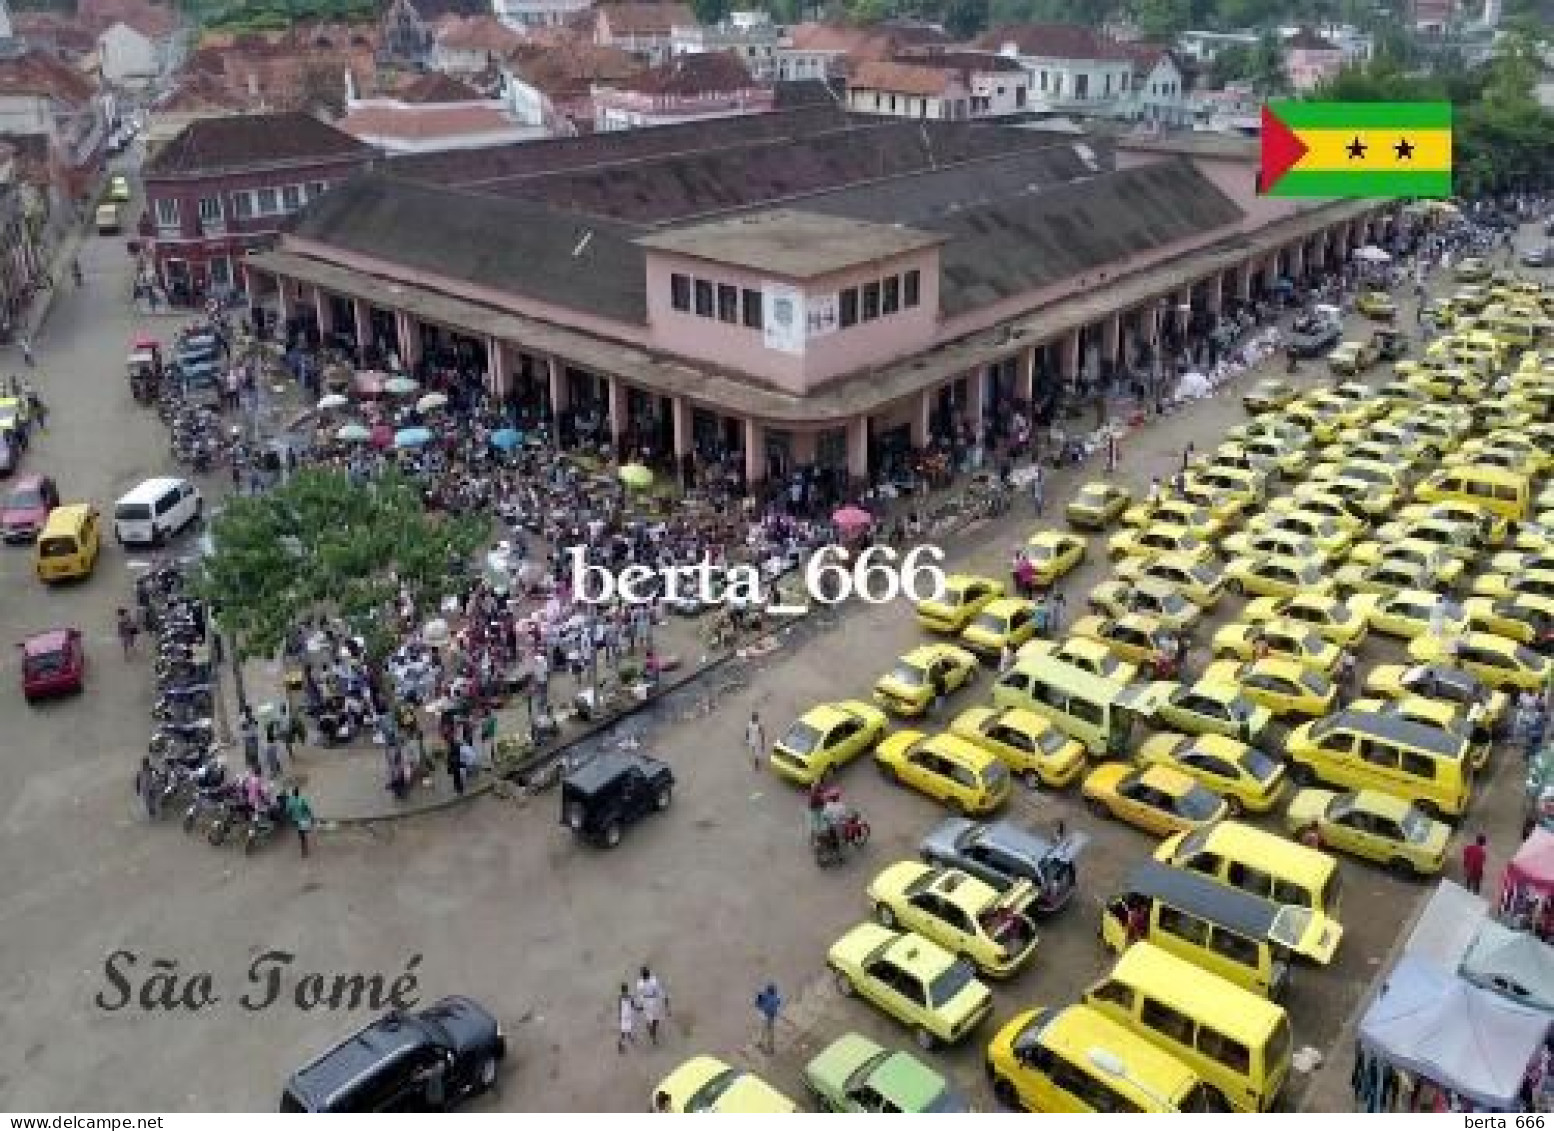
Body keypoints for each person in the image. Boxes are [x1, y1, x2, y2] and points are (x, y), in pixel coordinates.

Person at [636, 966, 667, 1045]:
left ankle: (652, 1030)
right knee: (654, 1019)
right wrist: (664, 999)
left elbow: (640, 995)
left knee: (654, 1019)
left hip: (650, 1002)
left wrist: (640, 1005)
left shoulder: (642, 983)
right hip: (651, 1002)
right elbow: (659, 991)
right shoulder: (650, 981)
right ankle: (653, 1034)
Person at [285, 787, 314, 857]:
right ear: (298, 793)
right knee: (303, 834)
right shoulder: (301, 799)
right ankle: (304, 848)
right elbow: (307, 808)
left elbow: (288, 811)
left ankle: (304, 849)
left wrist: (289, 818)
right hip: (303, 819)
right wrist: (311, 816)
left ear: (293, 793)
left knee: (301, 834)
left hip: (296, 820)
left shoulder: (290, 801)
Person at [754, 982, 782, 1053]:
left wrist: (759, 998)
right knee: (770, 1033)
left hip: (765, 1016)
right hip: (772, 1017)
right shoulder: (776, 997)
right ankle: (771, 1048)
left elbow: (757, 1004)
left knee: (763, 1030)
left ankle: (760, 1043)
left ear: (768, 991)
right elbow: (778, 1004)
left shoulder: (764, 995)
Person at [617, 983, 637, 1053]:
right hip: (628, 1015)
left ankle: (628, 1038)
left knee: (624, 1030)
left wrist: (619, 1015)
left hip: (623, 1015)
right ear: (627, 989)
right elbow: (633, 1006)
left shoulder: (620, 997)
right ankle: (623, 1042)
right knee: (629, 1027)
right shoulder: (630, 997)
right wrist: (639, 1009)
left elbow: (619, 1007)